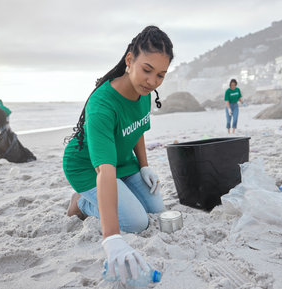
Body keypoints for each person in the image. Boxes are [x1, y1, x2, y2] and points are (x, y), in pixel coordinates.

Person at [62, 26, 173, 284]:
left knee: (156, 208)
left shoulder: (144, 93)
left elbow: (137, 129)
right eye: (147, 70)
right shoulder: (102, 105)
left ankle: (116, 196)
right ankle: (82, 202)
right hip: (89, 167)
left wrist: (144, 166)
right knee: (136, 222)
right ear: (129, 60)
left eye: (160, 75)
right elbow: (104, 171)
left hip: (124, 162)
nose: (152, 81)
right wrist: (111, 237)